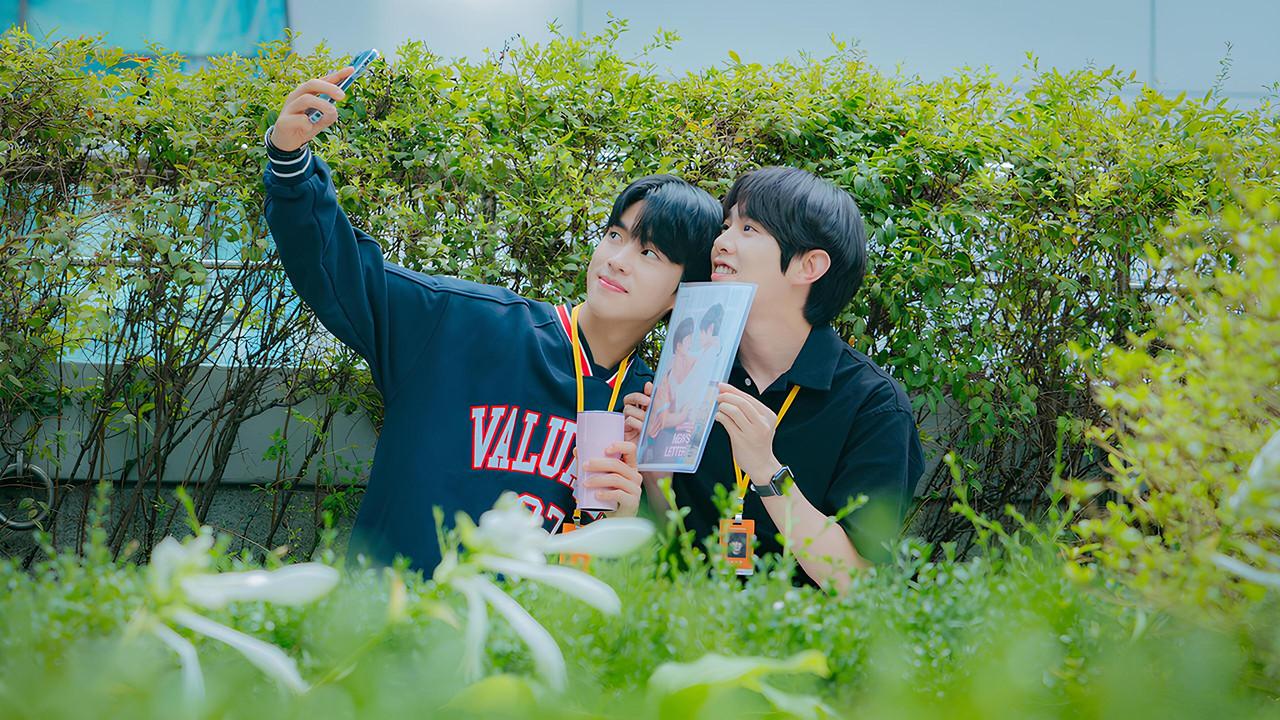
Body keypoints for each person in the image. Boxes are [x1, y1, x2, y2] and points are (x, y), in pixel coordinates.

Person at [262, 67, 723, 572]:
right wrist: (290, 163)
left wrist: (618, 523)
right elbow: (343, 273)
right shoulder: (465, 324)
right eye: (616, 235)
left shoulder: (646, 414)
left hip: (526, 621)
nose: (617, 259)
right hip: (395, 615)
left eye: (650, 253)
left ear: (681, 293)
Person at [627, 166, 924, 589]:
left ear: (809, 265)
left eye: (748, 229)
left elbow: (858, 582)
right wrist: (655, 471)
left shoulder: (873, 405)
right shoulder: (694, 371)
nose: (721, 242)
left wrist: (767, 471)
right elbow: (671, 541)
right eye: (726, 226)